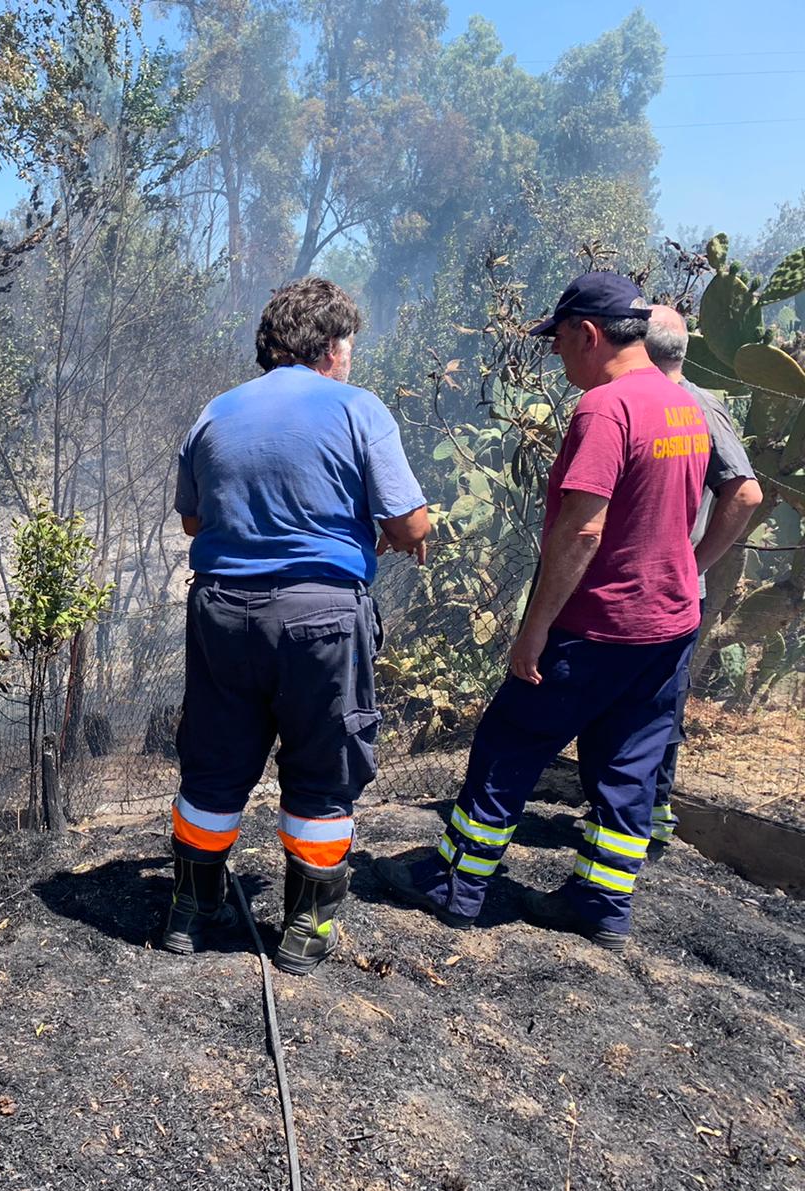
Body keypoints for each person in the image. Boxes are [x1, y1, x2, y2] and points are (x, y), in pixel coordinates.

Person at [378, 272, 742, 951]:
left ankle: (459, 881)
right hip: (667, 624)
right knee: (630, 763)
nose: (559, 358)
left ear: (589, 333)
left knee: (508, 742)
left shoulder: (607, 409)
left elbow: (582, 529)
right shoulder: (684, 404)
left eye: (560, 343)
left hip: (598, 622)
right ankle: (603, 901)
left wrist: (536, 628)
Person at [164, 276, 429, 973]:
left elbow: (194, 519)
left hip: (222, 613)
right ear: (334, 347)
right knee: (321, 768)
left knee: (215, 762)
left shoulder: (214, 414)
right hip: (320, 620)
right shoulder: (358, 410)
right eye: (350, 345)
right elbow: (410, 521)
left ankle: (190, 911)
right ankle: (305, 931)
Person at [644, 306, 763, 854]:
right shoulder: (637, 400)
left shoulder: (697, 404)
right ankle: (630, 813)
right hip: (637, 589)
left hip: (671, 588)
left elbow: (744, 492)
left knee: (659, 706)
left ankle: (652, 814)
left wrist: (695, 564)